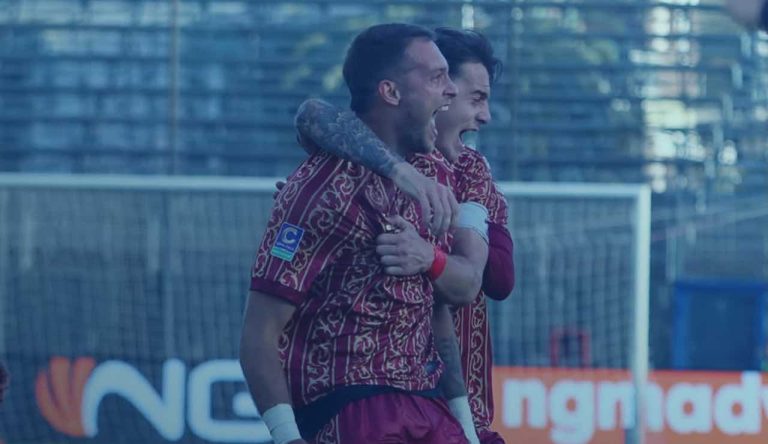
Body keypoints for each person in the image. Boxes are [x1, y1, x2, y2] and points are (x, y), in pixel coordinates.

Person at [241, 23, 489, 444]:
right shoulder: (323, 188)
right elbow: (258, 334)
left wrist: (467, 429)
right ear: (390, 92)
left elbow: (462, 291)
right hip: (357, 407)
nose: (452, 92)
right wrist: (288, 438)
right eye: (437, 78)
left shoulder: (461, 175)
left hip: (429, 405)